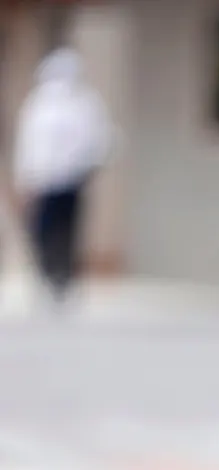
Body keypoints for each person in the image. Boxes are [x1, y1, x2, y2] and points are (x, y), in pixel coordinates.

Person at [11, 47, 113, 305]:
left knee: (68, 230)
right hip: (45, 180)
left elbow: (99, 137)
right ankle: (47, 274)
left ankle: (64, 278)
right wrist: (25, 177)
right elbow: (28, 144)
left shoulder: (85, 103)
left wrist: (89, 164)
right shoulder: (38, 105)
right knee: (43, 230)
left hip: (71, 180)